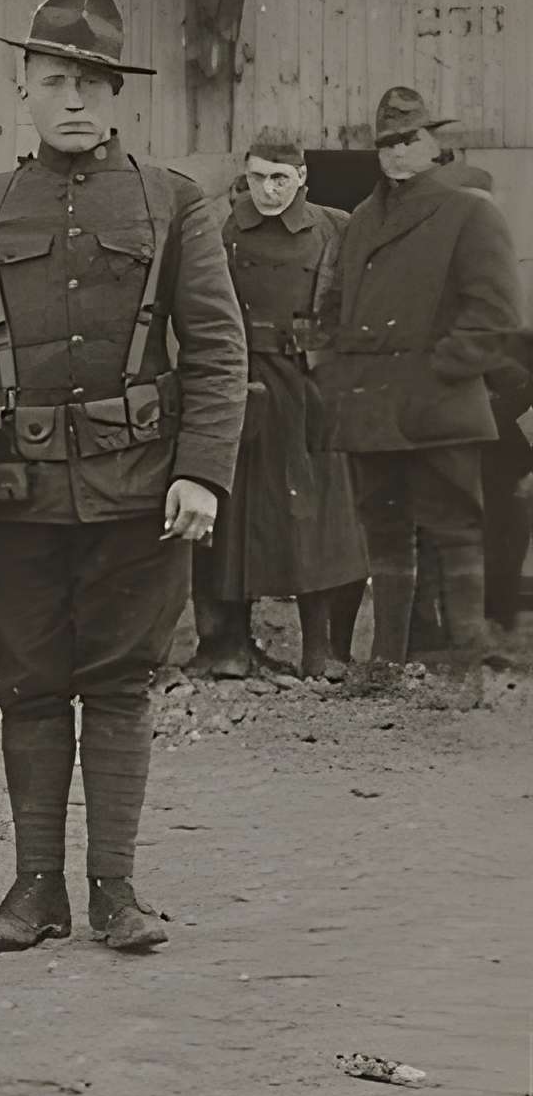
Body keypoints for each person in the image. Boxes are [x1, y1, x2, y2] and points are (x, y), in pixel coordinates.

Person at [0, 0, 244, 954]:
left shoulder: (172, 201)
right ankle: (33, 890)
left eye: (89, 80)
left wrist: (200, 471)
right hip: (11, 494)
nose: (72, 98)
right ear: (22, 90)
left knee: (120, 683)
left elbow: (215, 347)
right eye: (53, 80)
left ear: (116, 91)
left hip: (141, 492)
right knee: (27, 684)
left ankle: (114, 891)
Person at [318, 86, 522, 673]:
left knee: (455, 528)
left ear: (435, 144)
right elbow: (333, 307)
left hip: (438, 405)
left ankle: (465, 668)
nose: (397, 154)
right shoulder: (360, 220)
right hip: (370, 407)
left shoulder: (470, 212)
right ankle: (386, 664)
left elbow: (496, 314)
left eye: (409, 140)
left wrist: (439, 372)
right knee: (383, 531)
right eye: (386, 143)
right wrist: (337, 373)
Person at [193, 128, 366, 681]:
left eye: (280, 180)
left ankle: (321, 651)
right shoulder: (219, 232)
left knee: (318, 520)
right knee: (230, 518)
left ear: (302, 180)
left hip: (308, 388)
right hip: (238, 385)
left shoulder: (334, 229)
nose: (267, 191)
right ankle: (227, 648)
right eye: (257, 178)